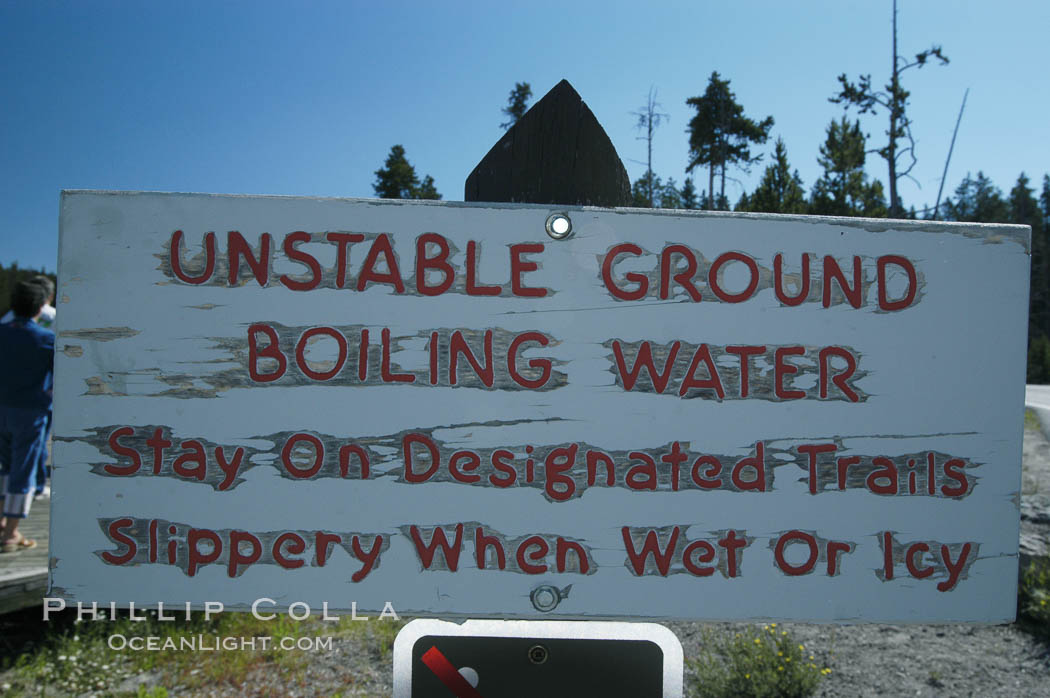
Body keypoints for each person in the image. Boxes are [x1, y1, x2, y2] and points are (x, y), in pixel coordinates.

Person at [0, 281, 55, 552]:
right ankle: (11, 533)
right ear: (41, 305)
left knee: (6, 466)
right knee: (24, 469)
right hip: (30, 411)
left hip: (2, 407)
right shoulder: (46, 339)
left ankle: (2, 522)